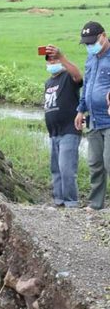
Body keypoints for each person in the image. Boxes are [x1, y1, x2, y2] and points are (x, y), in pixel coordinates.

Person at [75, 21, 110, 209]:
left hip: (109, 118)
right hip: (94, 119)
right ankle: (96, 204)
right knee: (95, 163)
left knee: (109, 161)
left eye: (92, 42)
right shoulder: (91, 59)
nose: (90, 46)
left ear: (103, 36)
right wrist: (81, 110)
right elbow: (87, 86)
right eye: (86, 43)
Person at [43, 45, 83, 207]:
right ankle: (59, 200)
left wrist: (63, 57)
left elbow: (78, 76)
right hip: (54, 132)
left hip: (69, 130)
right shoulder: (48, 82)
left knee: (66, 168)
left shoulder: (68, 76)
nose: (52, 62)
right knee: (56, 169)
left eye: (55, 58)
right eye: (49, 60)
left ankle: (71, 202)